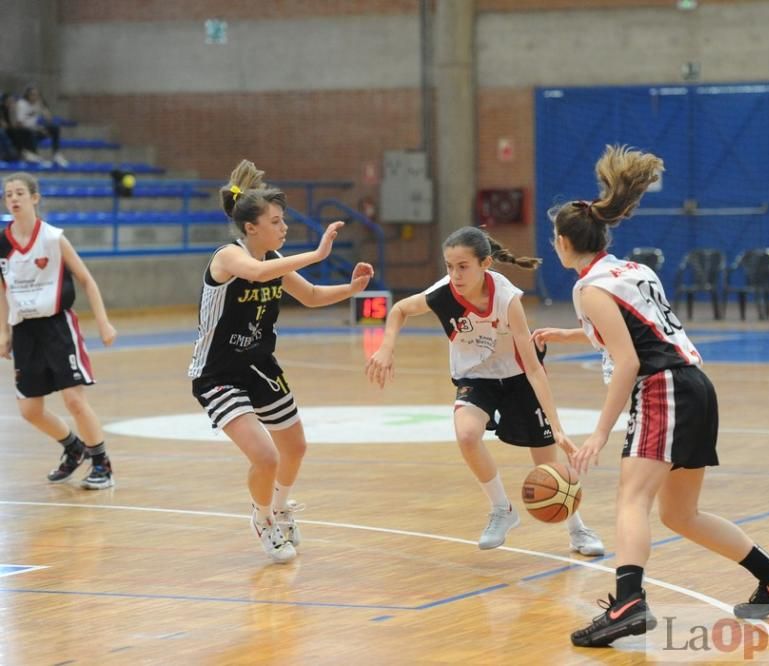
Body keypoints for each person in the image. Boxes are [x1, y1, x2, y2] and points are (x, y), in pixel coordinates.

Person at [534, 145, 769, 648]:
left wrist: (599, 433)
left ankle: (628, 605)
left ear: (562, 241)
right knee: (679, 514)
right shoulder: (631, 271)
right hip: (695, 385)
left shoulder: (589, 289)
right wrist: (566, 334)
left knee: (631, 498)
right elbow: (642, 332)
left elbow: (632, 359)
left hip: (662, 389)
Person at [364, 226, 604, 556]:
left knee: (547, 463)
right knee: (466, 435)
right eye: (449, 266)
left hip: (519, 375)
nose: (455, 274)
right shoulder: (443, 293)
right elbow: (400, 309)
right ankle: (501, 510)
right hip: (476, 377)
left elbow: (534, 368)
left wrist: (558, 428)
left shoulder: (507, 299)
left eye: (463, 266)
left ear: (485, 264)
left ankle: (577, 529)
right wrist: (386, 347)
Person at [188, 159, 374, 564]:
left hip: (259, 367)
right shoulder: (229, 258)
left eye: (284, 219)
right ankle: (262, 518)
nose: (284, 227)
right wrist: (318, 252)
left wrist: (352, 287)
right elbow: (255, 273)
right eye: (276, 221)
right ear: (251, 227)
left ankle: (281, 507)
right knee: (266, 456)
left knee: (295, 447)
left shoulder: (273, 259)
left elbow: (310, 296)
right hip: (217, 374)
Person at [0, 172, 116, 489]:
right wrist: (3, 331)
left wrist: (103, 321)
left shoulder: (52, 237)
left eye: (20, 193)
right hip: (24, 329)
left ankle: (101, 463)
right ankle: (72, 446)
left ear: (35, 198)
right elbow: (2, 287)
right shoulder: (2, 242)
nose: (13, 198)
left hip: (57, 326)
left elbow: (87, 280)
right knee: (29, 410)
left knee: (74, 401)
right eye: (8, 194)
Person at [15, 86, 67, 167]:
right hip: (24, 133)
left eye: (37, 95)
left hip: (36, 130)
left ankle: (56, 154)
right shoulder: (21, 104)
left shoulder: (38, 104)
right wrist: (37, 128)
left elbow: (49, 119)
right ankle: (33, 155)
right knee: (31, 132)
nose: (35, 97)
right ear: (27, 95)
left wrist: (44, 107)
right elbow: (19, 124)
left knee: (54, 128)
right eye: (32, 95)